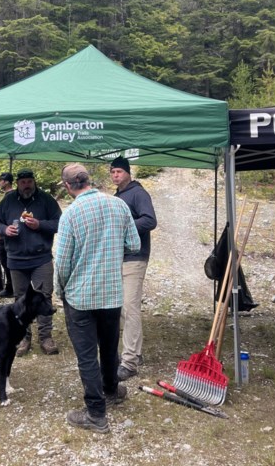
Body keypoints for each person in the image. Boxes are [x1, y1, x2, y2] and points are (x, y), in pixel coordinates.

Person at [54, 163, 140, 433]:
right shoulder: (118, 205)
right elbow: (134, 245)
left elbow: (63, 263)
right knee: (109, 344)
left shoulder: (71, 214)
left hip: (80, 297)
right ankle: (111, 390)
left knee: (87, 354)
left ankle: (96, 413)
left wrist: (60, 290)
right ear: (89, 180)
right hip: (112, 293)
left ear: (68, 187)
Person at [0, 168, 62, 355]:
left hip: (41, 258)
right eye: (23, 182)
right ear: (18, 184)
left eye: (29, 181)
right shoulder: (9, 200)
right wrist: (4, 230)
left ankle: (45, 337)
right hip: (16, 258)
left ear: (34, 182)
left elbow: (60, 222)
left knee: (44, 295)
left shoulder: (46, 200)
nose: (26, 185)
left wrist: (40, 225)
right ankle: (23, 337)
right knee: (20, 299)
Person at [109, 156, 158, 381]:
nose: (116, 175)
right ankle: (133, 353)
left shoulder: (138, 193)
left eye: (119, 171)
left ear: (128, 173)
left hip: (135, 257)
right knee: (120, 308)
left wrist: (125, 226)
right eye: (112, 172)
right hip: (118, 257)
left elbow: (150, 220)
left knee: (130, 308)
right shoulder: (117, 196)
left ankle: (129, 362)